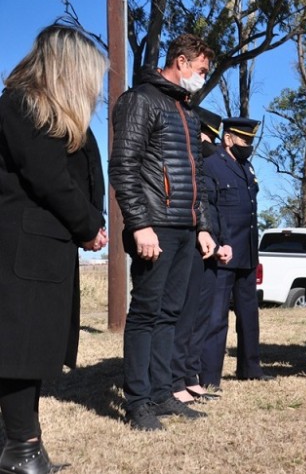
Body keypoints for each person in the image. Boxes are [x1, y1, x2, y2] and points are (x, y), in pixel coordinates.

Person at [0, 24, 107, 473]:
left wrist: (91, 221)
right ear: (68, 68)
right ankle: (23, 450)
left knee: (26, 351)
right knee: (18, 352)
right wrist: (87, 225)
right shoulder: (24, 103)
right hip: (25, 251)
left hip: (42, 250)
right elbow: (49, 178)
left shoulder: (51, 112)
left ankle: (16, 446)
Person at [110, 33, 217, 431]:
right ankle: (138, 401)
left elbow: (197, 177)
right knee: (146, 314)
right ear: (182, 62)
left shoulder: (187, 112)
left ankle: (161, 393)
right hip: (154, 226)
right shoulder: (141, 100)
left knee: (170, 313)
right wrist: (140, 224)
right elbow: (124, 166)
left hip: (185, 229)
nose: (203, 78)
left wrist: (202, 227)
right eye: (202, 70)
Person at [199, 117, 269, 388]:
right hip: (223, 253)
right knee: (216, 317)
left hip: (248, 252)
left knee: (249, 315)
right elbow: (211, 207)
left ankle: (250, 368)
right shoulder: (213, 165)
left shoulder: (246, 167)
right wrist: (217, 244)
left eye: (250, 141)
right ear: (228, 138)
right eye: (243, 140)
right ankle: (209, 376)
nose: (248, 145)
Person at [171, 108, 232, 403]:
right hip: (192, 247)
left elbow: (216, 209)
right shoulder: (190, 163)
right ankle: (176, 379)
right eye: (208, 136)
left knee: (201, 318)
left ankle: (190, 376)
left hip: (211, 249)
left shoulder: (208, 165)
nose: (211, 143)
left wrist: (222, 243)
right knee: (186, 317)